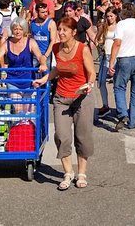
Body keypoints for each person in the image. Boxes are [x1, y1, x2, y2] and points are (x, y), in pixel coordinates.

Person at [33, 17, 96, 190]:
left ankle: (81, 172)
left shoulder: (82, 49)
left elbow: (91, 73)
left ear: (73, 32)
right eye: (59, 29)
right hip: (61, 97)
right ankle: (68, 172)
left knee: (82, 136)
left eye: (64, 30)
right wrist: (45, 79)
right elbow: (58, 68)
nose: (60, 33)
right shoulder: (55, 48)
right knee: (61, 136)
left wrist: (88, 85)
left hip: (82, 97)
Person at [0, 17, 47, 112]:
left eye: (20, 29)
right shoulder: (7, 44)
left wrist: (43, 64)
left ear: (24, 30)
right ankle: (18, 124)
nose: (18, 32)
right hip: (13, 81)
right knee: (19, 110)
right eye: (15, 29)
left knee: (29, 111)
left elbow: (40, 56)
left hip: (28, 80)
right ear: (12, 30)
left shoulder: (30, 42)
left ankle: (29, 126)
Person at [108, 3, 135, 131]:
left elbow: (117, 43)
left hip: (125, 59)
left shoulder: (121, 25)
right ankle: (133, 120)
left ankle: (123, 114)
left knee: (119, 87)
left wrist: (111, 62)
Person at [94, 7, 119, 118]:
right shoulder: (104, 27)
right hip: (105, 56)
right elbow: (96, 39)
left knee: (117, 84)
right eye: (108, 16)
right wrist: (100, 44)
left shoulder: (119, 27)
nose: (109, 18)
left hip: (116, 57)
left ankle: (119, 108)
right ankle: (105, 105)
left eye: (111, 16)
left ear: (116, 16)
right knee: (101, 82)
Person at [30, 2, 57, 68]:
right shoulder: (32, 23)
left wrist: (46, 55)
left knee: (46, 75)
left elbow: (53, 41)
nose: (45, 14)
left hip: (46, 54)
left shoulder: (51, 23)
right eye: (42, 12)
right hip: (35, 54)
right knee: (35, 75)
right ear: (37, 12)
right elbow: (31, 38)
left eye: (46, 12)